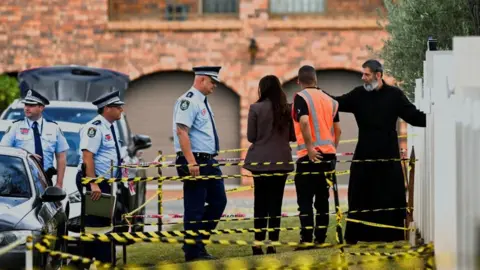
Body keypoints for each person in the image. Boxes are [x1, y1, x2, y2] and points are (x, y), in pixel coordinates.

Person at [333, 59, 426, 244]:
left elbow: (413, 116)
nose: (363, 78)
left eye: (366, 74)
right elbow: (336, 103)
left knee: (389, 193)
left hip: (388, 153)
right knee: (359, 192)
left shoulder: (394, 95)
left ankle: (390, 234)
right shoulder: (358, 94)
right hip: (364, 152)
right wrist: (316, 95)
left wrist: (437, 118)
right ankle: (357, 234)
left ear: (378, 75)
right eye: (362, 74)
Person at [172, 66, 227, 262]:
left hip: (207, 160)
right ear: (202, 79)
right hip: (195, 160)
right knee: (194, 207)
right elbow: (181, 131)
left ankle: (195, 242)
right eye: (212, 82)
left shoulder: (203, 102)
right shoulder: (188, 101)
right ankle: (193, 252)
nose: (214, 86)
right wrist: (191, 162)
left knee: (219, 201)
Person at [243, 75, 296, 255]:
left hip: (261, 162)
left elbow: (251, 136)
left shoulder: (255, 108)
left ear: (262, 89)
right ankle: (273, 243)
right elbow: (293, 136)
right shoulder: (287, 109)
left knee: (260, 203)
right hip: (281, 160)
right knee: (276, 203)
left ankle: (258, 243)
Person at [291, 65, 342, 249]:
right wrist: (331, 149)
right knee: (322, 199)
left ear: (299, 81)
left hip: (308, 156)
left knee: (305, 199)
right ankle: (320, 238)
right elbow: (338, 130)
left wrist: (311, 148)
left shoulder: (301, 97)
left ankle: (306, 239)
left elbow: (304, 121)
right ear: (316, 80)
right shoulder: (330, 100)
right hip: (328, 157)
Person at [75, 90, 125, 263]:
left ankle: (102, 259)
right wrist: (93, 183)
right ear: (107, 108)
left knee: (105, 222)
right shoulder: (94, 127)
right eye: (118, 107)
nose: (121, 110)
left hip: (106, 182)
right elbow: (87, 155)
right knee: (96, 224)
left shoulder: (110, 127)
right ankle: (95, 260)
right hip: (96, 181)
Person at [0, 89, 69, 188]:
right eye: (25, 105)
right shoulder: (16, 126)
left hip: (45, 178)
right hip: (20, 179)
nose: (27, 108)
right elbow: (4, 151)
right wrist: (26, 154)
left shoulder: (54, 128)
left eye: (31, 105)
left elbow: (61, 156)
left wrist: (59, 183)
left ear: (41, 107)